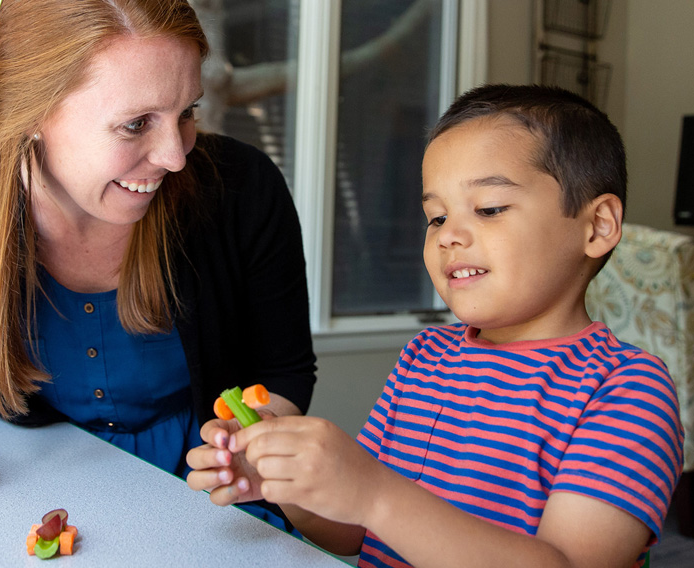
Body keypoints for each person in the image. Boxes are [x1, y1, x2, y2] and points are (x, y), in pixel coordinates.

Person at [0, 0, 315, 529]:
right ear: (31, 113)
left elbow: (285, 371)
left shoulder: (243, 186)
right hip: (27, 493)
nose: (175, 155)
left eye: (186, 112)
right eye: (136, 124)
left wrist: (249, 446)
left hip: (214, 507)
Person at [187, 84, 685, 567]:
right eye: (436, 217)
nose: (449, 236)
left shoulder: (628, 391)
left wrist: (376, 494)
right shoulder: (425, 358)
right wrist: (283, 481)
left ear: (597, 226)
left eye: (489, 209)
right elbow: (352, 531)